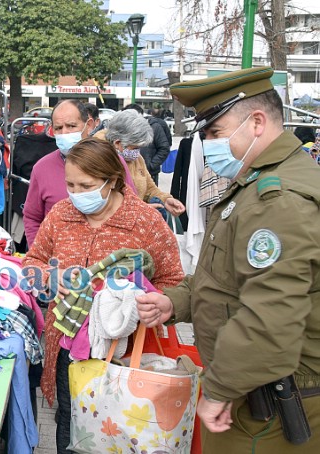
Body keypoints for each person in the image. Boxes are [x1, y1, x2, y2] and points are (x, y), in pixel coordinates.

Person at [136, 66, 320, 452]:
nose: (208, 146)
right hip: (252, 388)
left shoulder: (278, 198)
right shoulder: (255, 184)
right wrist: (176, 301)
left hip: (270, 402)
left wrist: (218, 390)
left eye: (215, 134)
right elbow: (226, 278)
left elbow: (270, 313)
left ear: (256, 122)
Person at [23, 137, 184, 454]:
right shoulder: (61, 214)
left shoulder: (145, 221)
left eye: (86, 185)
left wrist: (153, 303)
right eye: (70, 185)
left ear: (112, 180)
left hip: (125, 359)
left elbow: (174, 281)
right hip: (69, 351)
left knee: (122, 434)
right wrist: (50, 277)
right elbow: (32, 262)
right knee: (71, 432)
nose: (76, 194)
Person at [23, 99, 135, 247]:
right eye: (58, 128)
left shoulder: (113, 161)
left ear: (88, 125)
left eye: (71, 126)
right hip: (59, 262)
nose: (64, 133)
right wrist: (40, 255)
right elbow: (32, 217)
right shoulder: (41, 168)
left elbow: (132, 207)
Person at [106, 109, 186, 217]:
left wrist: (166, 199)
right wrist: (141, 208)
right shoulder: (102, 161)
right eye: (135, 147)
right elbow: (105, 203)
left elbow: (150, 188)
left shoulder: (137, 159)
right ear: (118, 143)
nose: (137, 152)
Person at [123, 103, 172, 184]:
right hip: (127, 174)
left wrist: (151, 165)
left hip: (149, 174)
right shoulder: (124, 128)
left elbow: (164, 148)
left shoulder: (154, 127)